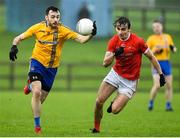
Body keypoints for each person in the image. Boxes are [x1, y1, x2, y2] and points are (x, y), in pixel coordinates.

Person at [9, 6, 97, 134]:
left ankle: (29, 86)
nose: (55, 19)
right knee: (37, 93)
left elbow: (81, 40)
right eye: (53, 17)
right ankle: (37, 126)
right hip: (37, 63)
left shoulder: (63, 30)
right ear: (46, 17)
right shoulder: (37, 28)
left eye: (57, 17)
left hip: (51, 69)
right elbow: (18, 38)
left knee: (40, 100)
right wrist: (13, 47)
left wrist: (91, 35)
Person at [90, 16, 165, 133]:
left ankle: (115, 102)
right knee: (98, 101)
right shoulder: (114, 41)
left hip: (130, 81)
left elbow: (151, 57)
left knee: (114, 110)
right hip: (115, 74)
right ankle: (96, 128)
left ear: (129, 29)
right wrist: (115, 54)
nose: (120, 32)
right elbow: (105, 63)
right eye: (118, 28)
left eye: (123, 29)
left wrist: (161, 75)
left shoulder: (138, 41)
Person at [147, 19, 177, 111]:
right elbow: (147, 52)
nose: (156, 28)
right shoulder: (151, 38)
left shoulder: (167, 37)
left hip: (166, 63)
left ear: (161, 27)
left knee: (169, 85)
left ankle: (168, 105)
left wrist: (173, 49)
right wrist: (155, 50)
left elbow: (173, 48)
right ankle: (151, 102)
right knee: (157, 85)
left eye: (157, 26)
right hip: (156, 63)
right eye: (154, 27)